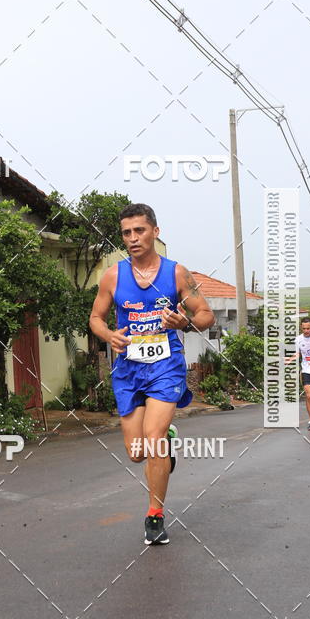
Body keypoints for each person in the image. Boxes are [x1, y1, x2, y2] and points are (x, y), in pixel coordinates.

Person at [89, 203, 215, 545]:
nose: (133, 238)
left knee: (153, 437)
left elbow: (206, 315)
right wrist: (108, 335)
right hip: (128, 371)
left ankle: (155, 515)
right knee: (137, 451)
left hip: (165, 367)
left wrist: (185, 323)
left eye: (139, 230)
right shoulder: (113, 276)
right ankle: (167, 441)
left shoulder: (175, 273)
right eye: (127, 233)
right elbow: (96, 318)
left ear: (155, 232)